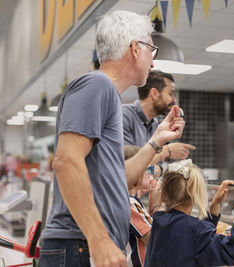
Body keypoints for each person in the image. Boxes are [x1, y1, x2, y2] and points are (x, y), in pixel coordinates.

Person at [39, 11, 185, 267]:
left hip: (87, 245)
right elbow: (66, 161)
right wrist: (99, 239)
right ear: (134, 49)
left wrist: (156, 141)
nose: (153, 63)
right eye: (152, 49)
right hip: (80, 244)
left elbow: (118, 180)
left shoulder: (109, 96)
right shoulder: (97, 85)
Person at [144, 159, 234, 267]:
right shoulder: (197, 229)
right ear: (196, 195)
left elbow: (196, 242)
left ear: (164, 195)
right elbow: (233, 252)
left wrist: (215, 205)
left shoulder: (160, 219)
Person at [122, 70, 196, 177]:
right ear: (154, 94)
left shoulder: (155, 124)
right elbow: (126, 164)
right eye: (171, 93)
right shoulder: (124, 116)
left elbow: (157, 169)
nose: (174, 100)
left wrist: (147, 170)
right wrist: (166, 151)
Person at [123, 145, 156, 267]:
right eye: (149, 168)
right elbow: (154, 239)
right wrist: (159, 209)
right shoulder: (129, 203)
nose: (152, 173)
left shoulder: (132, 202)